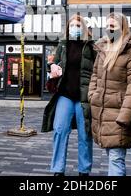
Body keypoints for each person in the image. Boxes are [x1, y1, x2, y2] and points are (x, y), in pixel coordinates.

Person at [88, 12, 131, 176]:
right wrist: (93, 95)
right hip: (102, 111)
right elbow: (95, 76)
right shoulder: (103, 48)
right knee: (111, 155)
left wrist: (125, 115)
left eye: (112, 26)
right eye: (107, 26)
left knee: (115, 157)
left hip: (120, 112)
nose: (108, 29)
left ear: (123, 27)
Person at [41, 14, 96, 176]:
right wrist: (51, 66)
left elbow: (98, 69)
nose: (74, 28)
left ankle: (84, 170)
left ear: (83, 28)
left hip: (83, 96)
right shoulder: (63, 44)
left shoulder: (91, 46)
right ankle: (58, 169)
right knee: (59, 130)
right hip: (65, 94)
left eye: (77, 25)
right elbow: (53, 63)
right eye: (71, 25)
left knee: (85, 134)